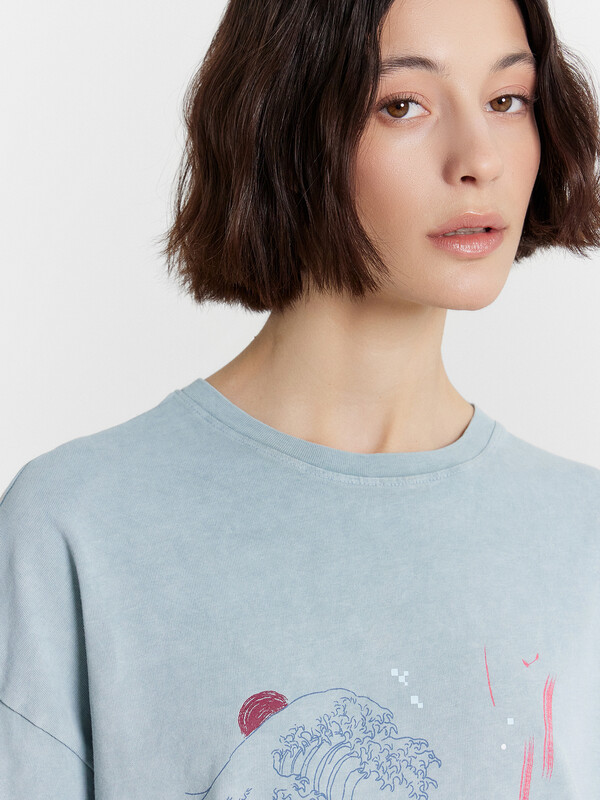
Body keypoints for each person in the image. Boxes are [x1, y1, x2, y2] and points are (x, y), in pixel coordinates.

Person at [1, 0, 599, 797]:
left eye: (507, 99)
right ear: (281, 124)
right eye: (402, 105)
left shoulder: (582, 538)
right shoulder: (80, 524)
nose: (479, 158)